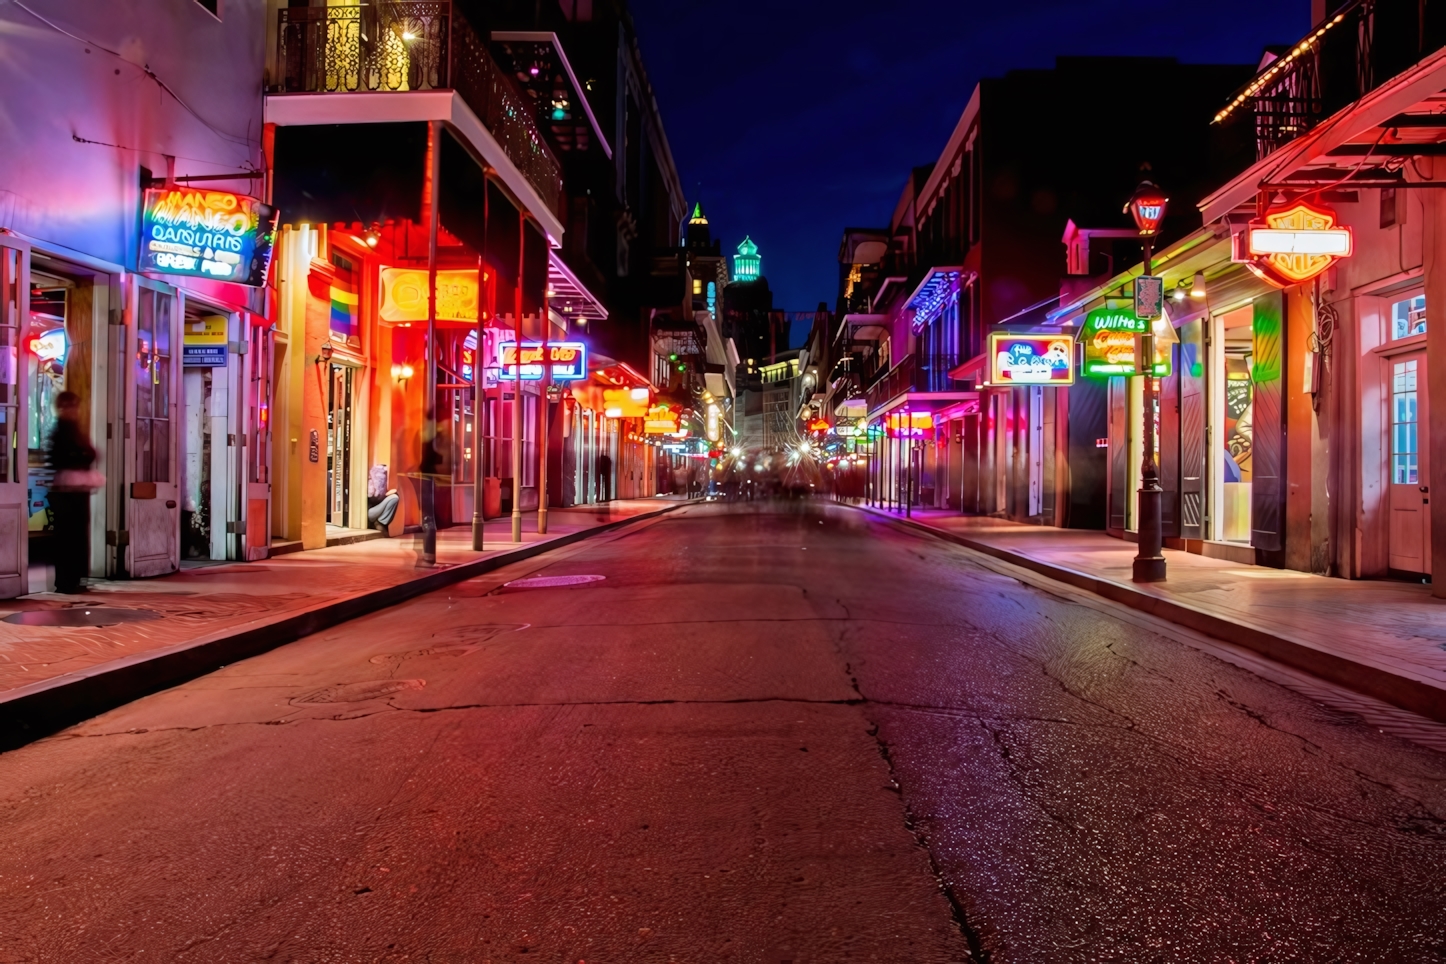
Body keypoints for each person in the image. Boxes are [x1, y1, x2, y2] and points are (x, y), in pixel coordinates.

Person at [48, 391, 97, 594]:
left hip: (76, 491)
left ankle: (74, 579)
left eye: (75, 407)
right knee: (67, 537)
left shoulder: (76, 430)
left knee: (76, 536)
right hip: (65, 492)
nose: (73, 411)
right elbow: (59, 459)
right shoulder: (60, 433)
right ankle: (65, 581)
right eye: (68, 407)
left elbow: (90, 453)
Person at [366, 464, 399, 532]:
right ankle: (378, 523)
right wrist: (385, 495)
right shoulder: (370, 484)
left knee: (395, 497)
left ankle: (381, 522)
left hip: (377, 512)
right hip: (369, 512)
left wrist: (387, 493)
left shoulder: (382, 486)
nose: (383, 476)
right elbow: (373, 498)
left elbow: (381, 498)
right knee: (393, 497)